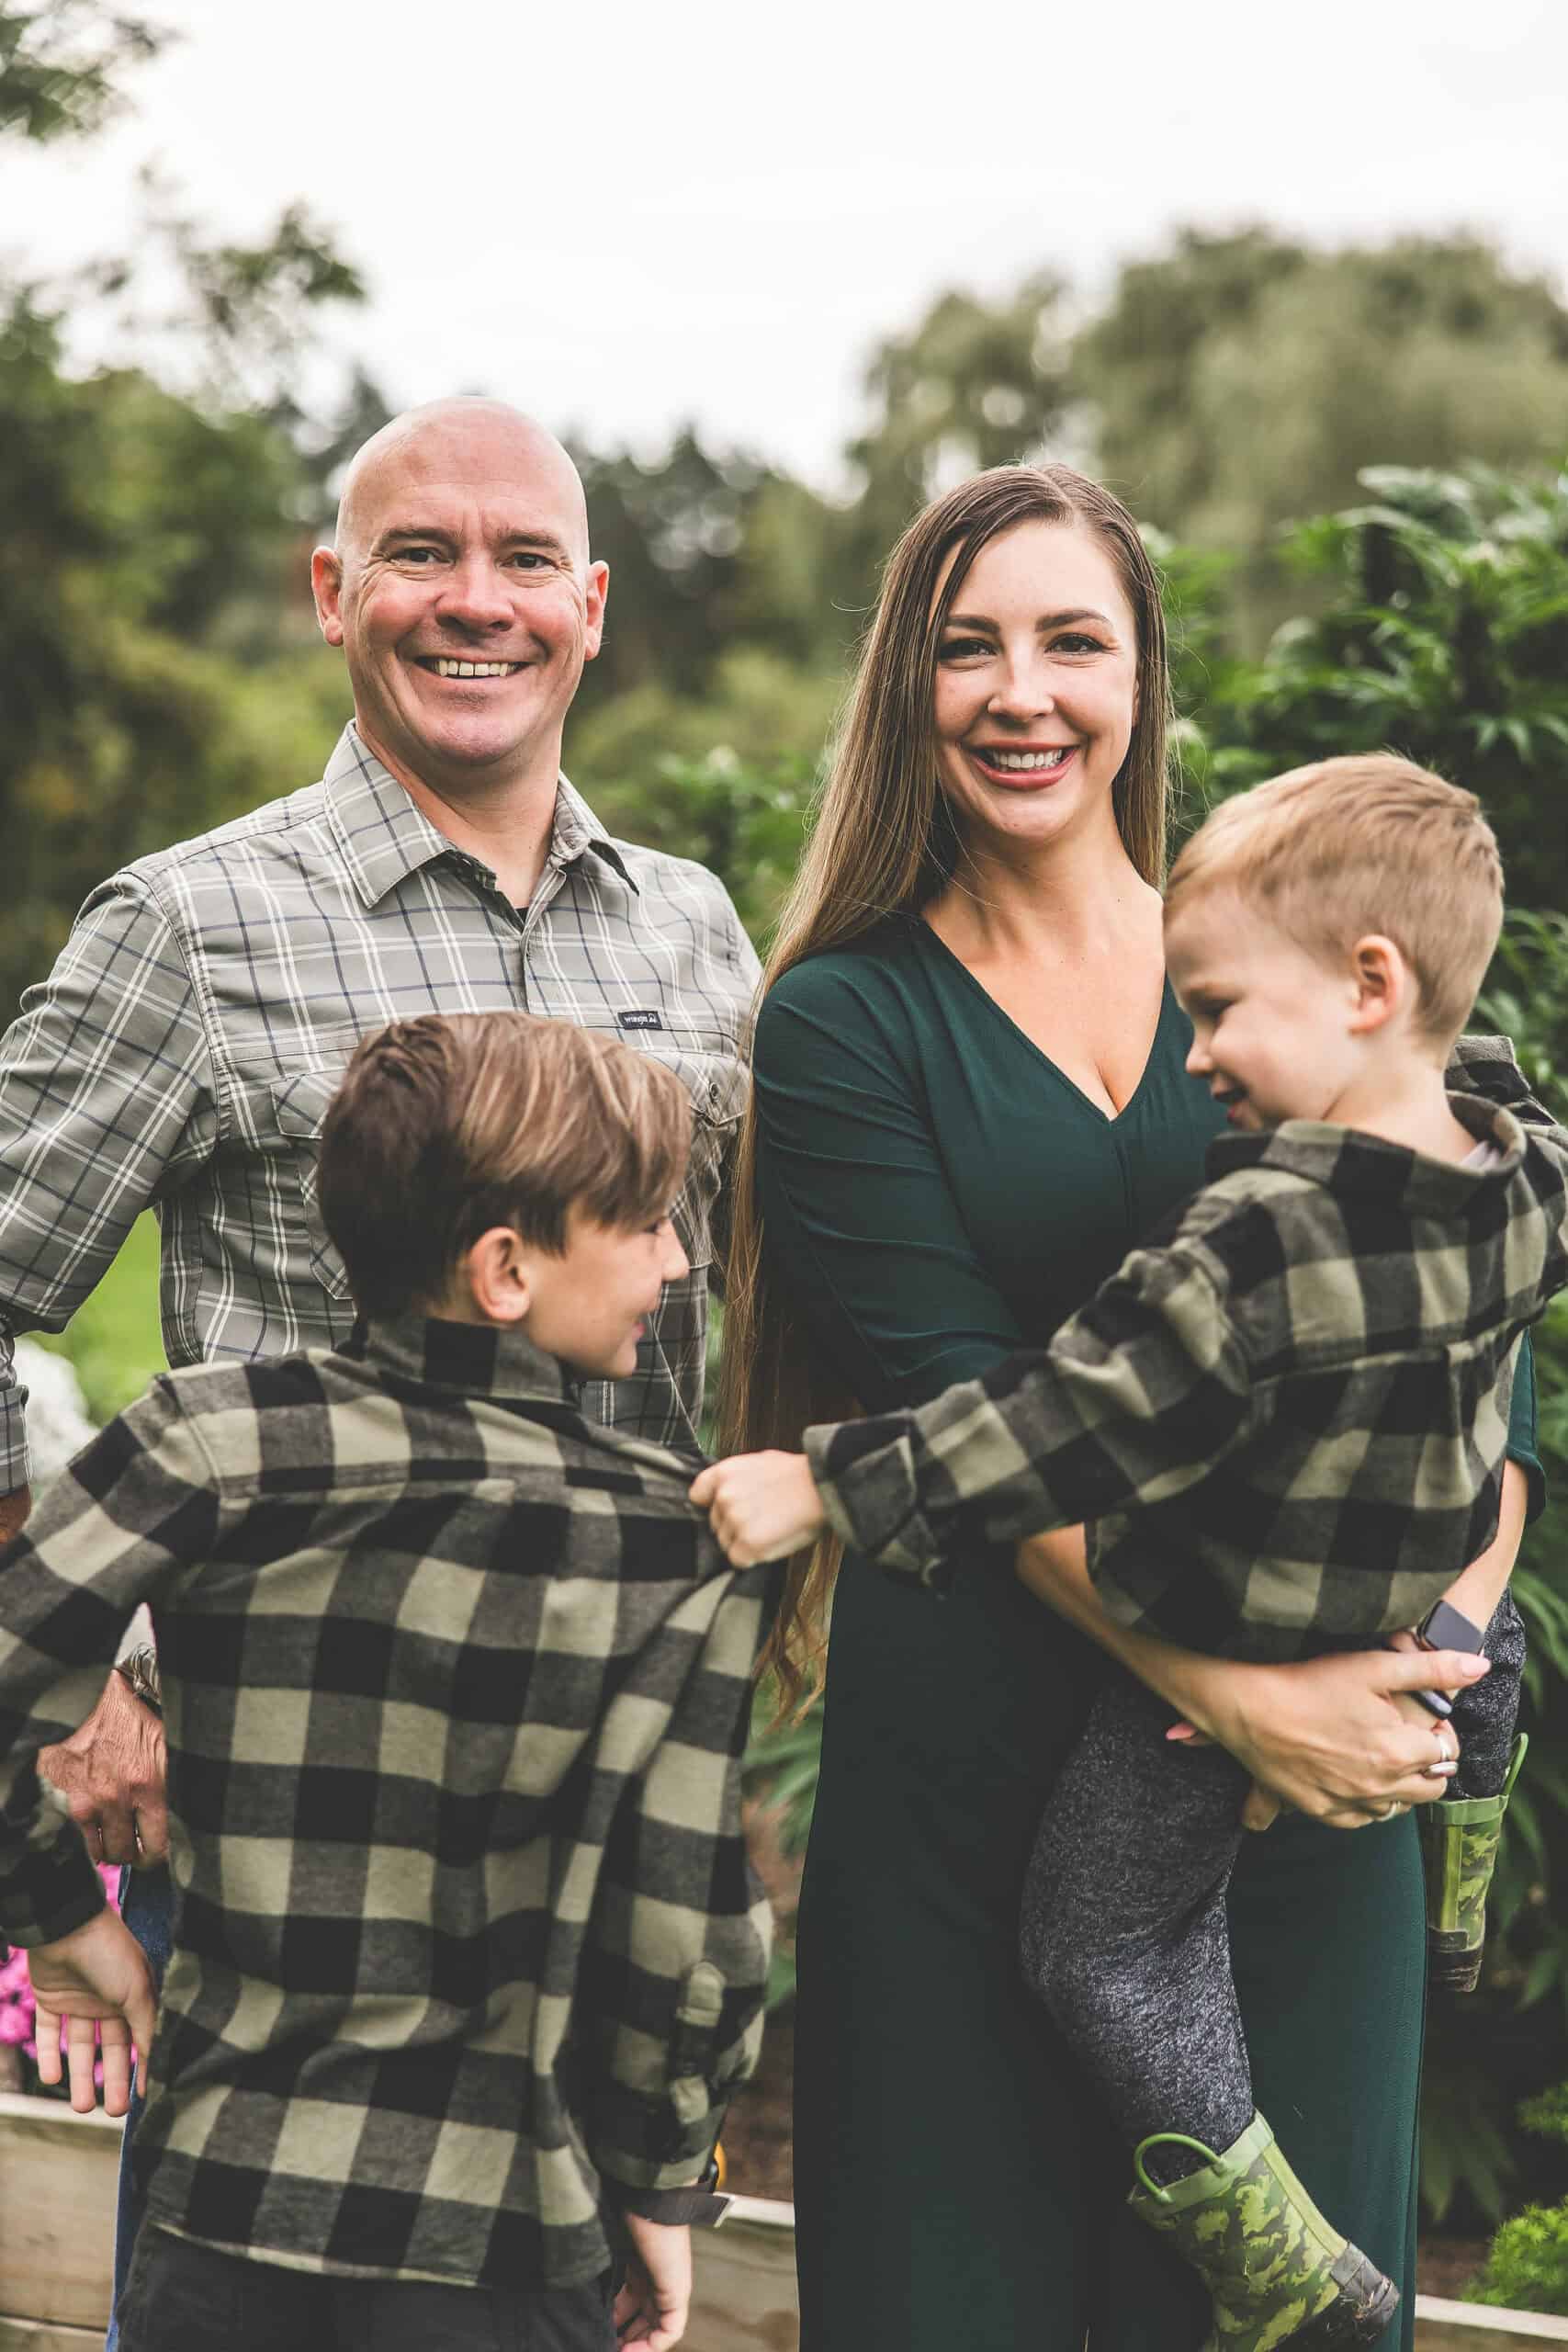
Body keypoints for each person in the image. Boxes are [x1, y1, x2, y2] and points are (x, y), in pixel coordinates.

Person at [707, 467, 1542, 2351]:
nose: (1021, 691)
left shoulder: (1307, 962)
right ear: (902, 689)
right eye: (964, 645)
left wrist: (1438, 1656)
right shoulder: (847, 1015)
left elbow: (1489, 1367)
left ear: (1140, 675)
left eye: (1070, 639)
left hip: (1297, 1808)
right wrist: (1249, 1696)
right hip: (981, 1793)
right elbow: (973, 1423)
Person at [0, 397, 760, 2344]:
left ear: (591, 608)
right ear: (333, 592)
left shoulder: (693, 934)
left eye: (523, 562)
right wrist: (73, 1651)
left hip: (599, 1830)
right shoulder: (191, 925)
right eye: (421, 554)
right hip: (288, 1827)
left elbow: (733, 1317)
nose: (473, 602)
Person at [0, 1011, 771, 2352]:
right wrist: (658, 2176)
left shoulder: (209, 1442)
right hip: (502, 2244)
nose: (679, 1257)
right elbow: (685, 1927)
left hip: (216, 2215)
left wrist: (62, 1916)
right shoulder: (666, 1536)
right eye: (645, 1221)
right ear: (507, 1269)